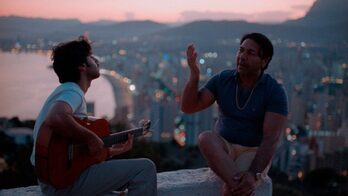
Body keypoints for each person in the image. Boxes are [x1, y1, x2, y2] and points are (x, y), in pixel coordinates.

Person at [30, 37, 157, 196]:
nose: (97, 60)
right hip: (64, 184)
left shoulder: (64, 91)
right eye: (91, 57)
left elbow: (72, 151)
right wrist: (91, 137)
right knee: (145, 168)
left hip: (56, 182)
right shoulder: (72, 91)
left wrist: (110, 152)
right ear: (82, 66)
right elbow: (56, 117)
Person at [181, 32, 288, 196]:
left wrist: (253, 174)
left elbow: (270, 139)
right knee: (205, 138)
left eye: (251, 53)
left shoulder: (274, 91)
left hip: (253, 151)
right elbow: (189, 107)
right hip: (224, 148)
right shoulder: (223, 79)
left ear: (264, 61)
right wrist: (194, 75)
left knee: (230, 190)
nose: (242, 56)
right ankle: (240, 186)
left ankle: (235, 186)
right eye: (241, 50)